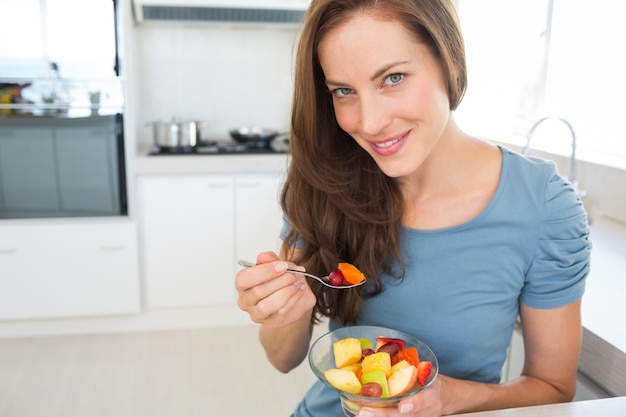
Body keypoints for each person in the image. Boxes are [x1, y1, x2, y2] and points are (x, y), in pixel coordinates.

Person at [235, 0, 591, 416]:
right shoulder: (326, 182)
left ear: (451, 63)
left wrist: (449, 398)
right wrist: (283, 308)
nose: (368, 123)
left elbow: (553, 387)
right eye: (343, 91)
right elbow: (282, 359)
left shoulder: (543, 205)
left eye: (393, 78)